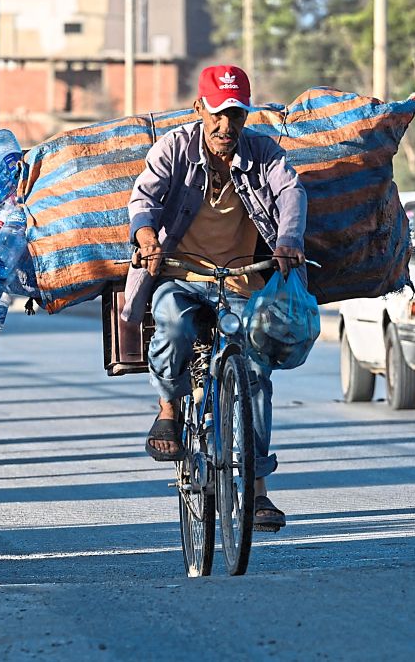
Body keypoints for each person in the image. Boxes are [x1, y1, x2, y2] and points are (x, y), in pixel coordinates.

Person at [123, 64, 306, 532]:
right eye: (219, 115)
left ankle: (260, 492)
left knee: (257, 376)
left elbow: (291, 192)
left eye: (237, 116)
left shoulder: (263, 152)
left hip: (242, 282)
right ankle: (168, 411)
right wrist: (146, 237)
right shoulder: (174, 148)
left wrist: (289, 239)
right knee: (172, 324)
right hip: (182, 276)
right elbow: (143, 199)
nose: (227, 127)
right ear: (200, 108)